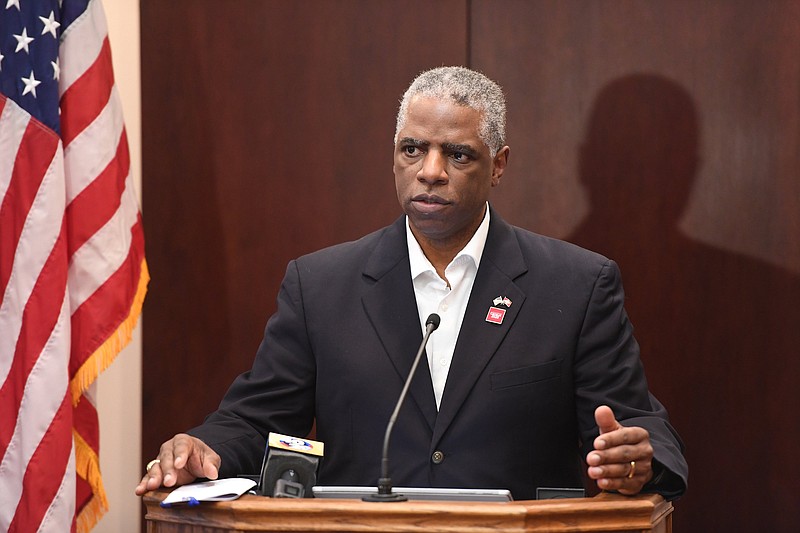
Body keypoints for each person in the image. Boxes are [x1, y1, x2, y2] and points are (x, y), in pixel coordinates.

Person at [136, 66, 687, 501]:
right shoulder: (320, 285)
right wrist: (200, 447)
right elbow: (256, 421)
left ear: (498, 165)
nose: (430, 170)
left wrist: (637, 460)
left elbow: (641, 430)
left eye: (458, 154)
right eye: (413, 149)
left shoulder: (576, 285)